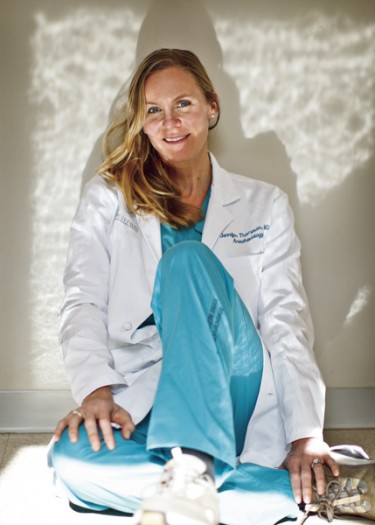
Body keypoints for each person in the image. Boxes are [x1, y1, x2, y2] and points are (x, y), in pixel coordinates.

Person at [49, 48, 339, 525]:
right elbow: (81, 300)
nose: (170, 123)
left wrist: (304, 435)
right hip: (146, 389)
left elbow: (287, 321)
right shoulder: (107, 198)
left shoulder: (265, 204)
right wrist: (97, 392)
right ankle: (277, 495)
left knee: (185, 261)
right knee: (70, 458)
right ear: (141, 123)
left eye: (183, 104)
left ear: (212, 106)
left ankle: (196, 469)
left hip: (237, 382)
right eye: (153, 111)